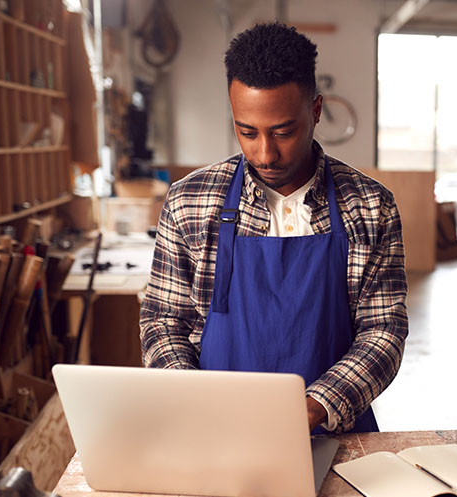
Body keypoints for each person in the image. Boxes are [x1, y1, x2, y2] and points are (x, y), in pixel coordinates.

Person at [139, 22, 408, 434]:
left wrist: (320, 403)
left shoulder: (370, 207)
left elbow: (383, 330)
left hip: (333, 433)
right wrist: (190, 395)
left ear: (315, 110)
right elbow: (163, 321)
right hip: (216, 431)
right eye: (247, 132)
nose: (265, 153)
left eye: (283, 131)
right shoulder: (189, 202)